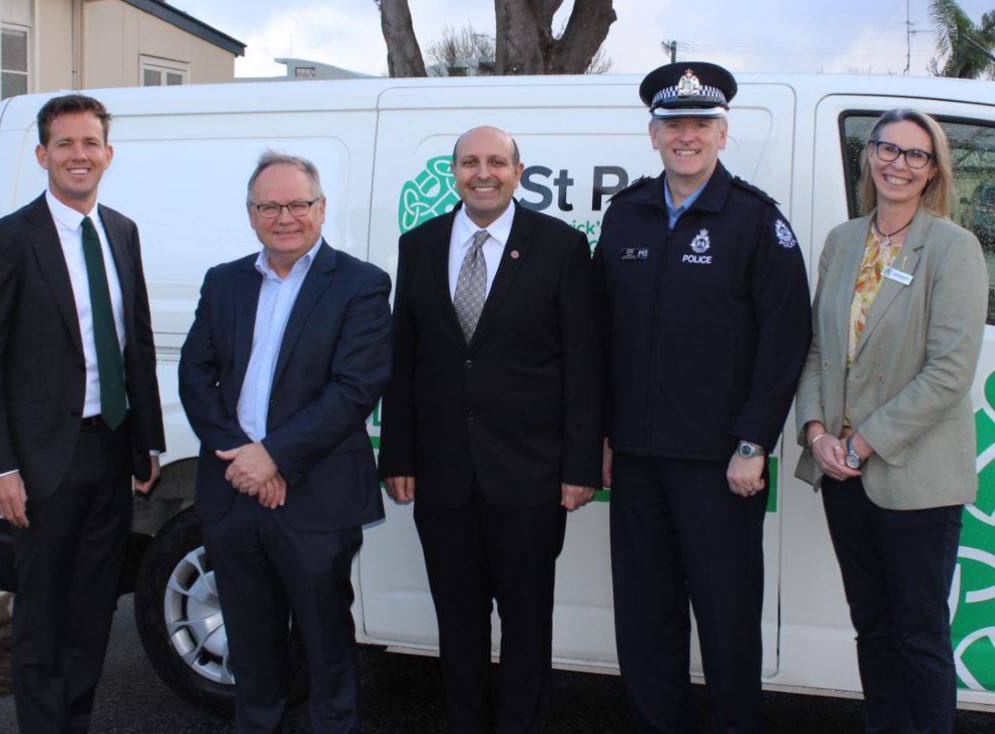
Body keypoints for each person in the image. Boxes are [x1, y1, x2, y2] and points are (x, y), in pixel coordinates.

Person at [595, 62, 812, 733]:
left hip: (720, 466)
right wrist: (600, 437)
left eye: (698, 126)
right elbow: (600, 334)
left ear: (721, 134)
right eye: (672, 126)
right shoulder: (625, 215)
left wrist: (754, 442)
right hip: (633, 459)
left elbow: (785, 341)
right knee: (644, 620)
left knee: (725, 623)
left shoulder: (753, 220)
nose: (684, 137)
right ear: (653, 135)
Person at [378, 125, 602, 734]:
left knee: (527, 628)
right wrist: (398, 452)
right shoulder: (419, 243)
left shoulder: (559, 246)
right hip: (443, 475)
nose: (484, 172)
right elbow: (406, 355)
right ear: (454, 172)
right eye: (471, 162)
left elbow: (583, 362)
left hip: (529, 477)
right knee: (458, 625)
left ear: (518, 171)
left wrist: (581, 465)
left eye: (496, 162)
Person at [0, 93, 165, 733]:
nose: (80, 155)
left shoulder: (122, 232)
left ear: (109, 154)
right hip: (43, 462)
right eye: (67, 144)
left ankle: (74, 721)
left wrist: (147, 445)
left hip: (111, 451)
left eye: (91, 144)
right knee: (44, 614)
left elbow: (136, 343)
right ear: (43, 154)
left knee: (93, 607)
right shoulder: (7, 240)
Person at [178, 151, 391, 734]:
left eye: (298, 204)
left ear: (321, 209)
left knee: (327, 651)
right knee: (251, 651)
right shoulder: (224, 282)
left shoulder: (361, 284)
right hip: (233, 493)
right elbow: (196, 377)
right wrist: (243, 458)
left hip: (316, 499)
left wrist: (273, 456)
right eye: (269, 206)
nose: (285, 217)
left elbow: (354, 388)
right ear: (250, 215)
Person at [795, 108, 987, 733]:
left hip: (914, 477)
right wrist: (817, 433)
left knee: (918, 632)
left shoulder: (954, 249)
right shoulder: (843, 241)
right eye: (888, 149)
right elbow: (821, 350)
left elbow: (949, 372)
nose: (898, 164)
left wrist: (865, 442)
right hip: (842, 473)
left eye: (915, 155)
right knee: (872, 626)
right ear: (869, 155)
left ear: (933, 171)